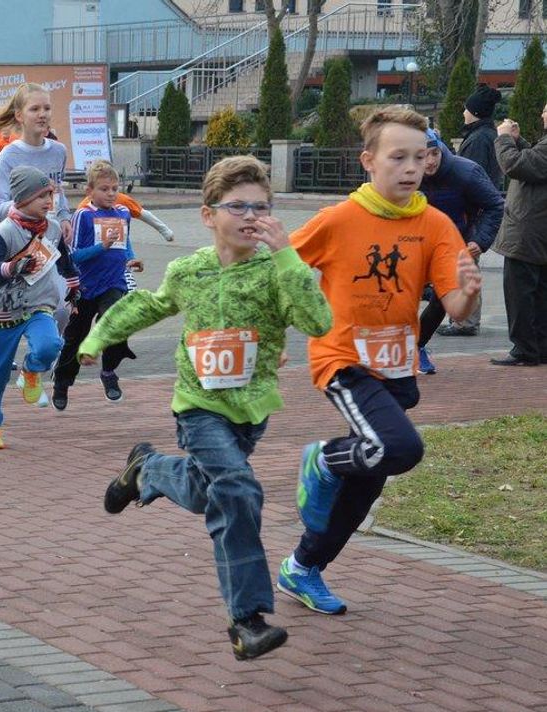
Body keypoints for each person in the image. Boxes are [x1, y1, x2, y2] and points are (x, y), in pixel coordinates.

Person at [81, 155, 332, 660]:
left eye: (260, 208)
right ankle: (248, 620)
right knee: (237, 489)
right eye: (237, 206)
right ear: (208, 215)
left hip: (251, 409)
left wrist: (288, 258)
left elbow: (317, 320)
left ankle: (147, 470)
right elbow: (146, 305)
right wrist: (97, 337)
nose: (249, 217)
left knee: (206, 491)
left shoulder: (276, 271)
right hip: (196, 406)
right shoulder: (188, 271)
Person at [280, 106, 481, 615]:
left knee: (367, 483)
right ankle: (323, 459)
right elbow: (280, 269)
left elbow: (455, 307)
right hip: (342, 359)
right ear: (368, 161)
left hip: (396, 366)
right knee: (401, 448)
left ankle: (302, 568)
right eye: (399, 157)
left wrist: (470, 293)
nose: (412, 167)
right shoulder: (337, 220)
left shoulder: (434, 224)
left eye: (422, 156)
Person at [0, 166, 80, 450]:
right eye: (41, 197)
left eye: (50, 195)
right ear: (21, 200)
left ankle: (31, 371)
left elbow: (64, 259)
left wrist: (73, 286)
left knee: (49, 346)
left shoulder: (54, 227)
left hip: (38, 304)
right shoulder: (5, 232)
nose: (49, 202)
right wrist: (12, 267)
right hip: (4, 311)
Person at [52, 160, 140, 409]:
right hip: (86, 286)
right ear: (89, 191)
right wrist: (102, 247)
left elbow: (125, 242)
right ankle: (62, 381)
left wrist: (131, 258)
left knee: (114, 322)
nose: (111, 193)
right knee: (74, 337)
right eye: (104, 189)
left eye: (114, 188)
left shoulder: (123, 212)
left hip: (114, 282)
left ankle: (109, 372)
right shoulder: (84, 215)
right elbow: (74, 255)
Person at [416, 129, 504, 372]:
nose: (430, 161)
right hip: (415, 243)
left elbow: (495, 204)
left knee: (443, 298)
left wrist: (479, 240)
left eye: (434, 153)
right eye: (423, 156)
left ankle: (417, 346)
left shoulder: (465, 172)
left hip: (458, 244)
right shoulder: (405, 172)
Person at [490, 111, 547, 367]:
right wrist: (519, 141)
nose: (543, 114)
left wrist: (503, 139)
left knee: (520, 293)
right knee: (537, 294)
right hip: (536, 233)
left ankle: (524, 349)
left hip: (527, 232)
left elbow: (515, 166)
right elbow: (534, 164)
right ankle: (538, 347)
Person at [0, 83, 73, 245]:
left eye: (47, 108)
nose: (42, 114)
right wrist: (30, 204)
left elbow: (58, 192)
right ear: (19, 115)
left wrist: (64, 217)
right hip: (16, 242)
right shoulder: (8, 155)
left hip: (48, 240)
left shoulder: (59, 151)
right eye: (34, 109)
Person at [460, 84, 503, 190]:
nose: (464, 113)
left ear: (475, 112)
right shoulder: (486, 133)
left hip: (476, 202)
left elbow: (471, 175)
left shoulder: (479, 139)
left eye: (466, 109)